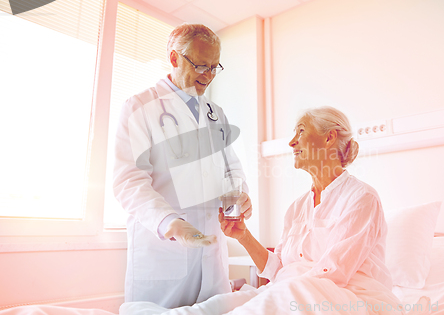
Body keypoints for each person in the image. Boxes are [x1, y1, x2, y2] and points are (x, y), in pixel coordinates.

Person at [119, 106, 408, 315]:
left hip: (351, 297)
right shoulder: (297, 208)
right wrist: (242, 235)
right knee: (223, 304)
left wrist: (274, 292)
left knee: (277, 294)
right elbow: (278, 268)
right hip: (299, 288)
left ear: (329, 138)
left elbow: (334, 273)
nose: (292, 142)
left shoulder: (361, 198)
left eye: (301, 132)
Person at [113, 23, 252, 309]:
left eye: (215, 66)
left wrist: (238, 196)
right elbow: (129, 180)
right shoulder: (139, 106)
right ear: (174, 58)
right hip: (164, 253)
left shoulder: (216, 114)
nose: (208, 75)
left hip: (211, 257)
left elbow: (231, 169)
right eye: (201, 65)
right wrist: (170, 223)